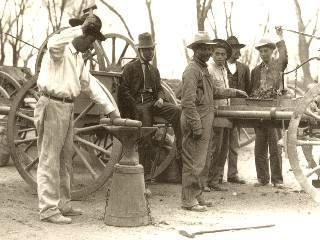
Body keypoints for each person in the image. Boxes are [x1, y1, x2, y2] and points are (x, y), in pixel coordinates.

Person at [35, 14, 120, 224]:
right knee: (49, 159)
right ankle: (47, 209)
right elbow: (54, 41)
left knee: (65, 159)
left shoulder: (78, 59)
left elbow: (91, 86)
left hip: (67, 108)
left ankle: (63, 204)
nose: (91, 46)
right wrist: (81, 29)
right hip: (51, 104)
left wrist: (112, 111)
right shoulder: (59, 51)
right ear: (81, 35)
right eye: (90, 40)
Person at [181, 32, 248, 212]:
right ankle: (188, 200)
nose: (208, 51)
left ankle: (197, 195)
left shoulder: (202, 69)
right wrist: (196, 125)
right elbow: (187, 101)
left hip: (204, 120)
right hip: (196, 121)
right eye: (204, 48)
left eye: (209, 48)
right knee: (192, 161)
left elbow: (214, 92)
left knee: (201, 161)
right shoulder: (192, 70)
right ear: (195, 50)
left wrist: (234, 92)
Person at [118, 32, 182, 183]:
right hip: (138, 105)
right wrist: (134, 105)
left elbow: (159, 88)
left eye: (151, 49)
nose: (150, 52)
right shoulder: (130, 68)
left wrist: (160, 98)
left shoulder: (154, 70)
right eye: (146, 49)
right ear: (139, 51)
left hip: (152, 103)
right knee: (146, 134)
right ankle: (144, 174)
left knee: (176, 110)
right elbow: (124, 91)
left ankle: (180, 143)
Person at [205, 36, 250, 192]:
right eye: (217, 54)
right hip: (214, 113)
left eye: (223, 54)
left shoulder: (223, 69)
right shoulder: (209, 69)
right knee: (213, 148)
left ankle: (215, 179)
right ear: (212, 54)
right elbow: (211, 93)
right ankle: (205, 180)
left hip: (226, 113)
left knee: (223, 148)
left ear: (226, 56)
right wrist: (233, 92)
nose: (220, 57)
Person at [249, 27, 288, 188]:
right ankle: (262, 178)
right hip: (259, 112)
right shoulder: (255, 71)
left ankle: (277, 180)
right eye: (261, 51)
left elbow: (284, 57)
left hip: (274, 111)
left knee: (275, 147)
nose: (263, 54)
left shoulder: (278, 66)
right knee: (259, 148)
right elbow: (252, 90)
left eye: (266, 51)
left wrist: (280, 37)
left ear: (272, 51)